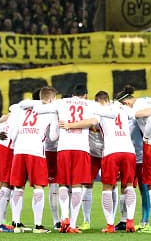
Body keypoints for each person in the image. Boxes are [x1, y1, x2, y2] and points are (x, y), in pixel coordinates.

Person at [60, 91, 140, 233]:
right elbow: (135, 113)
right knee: (128, 186)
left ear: (97, 101)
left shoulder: (97, 110)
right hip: (129, 151)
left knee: (107, 188)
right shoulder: (123, 108)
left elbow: (93, 122)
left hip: (111, 152)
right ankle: (130, 221)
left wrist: (69, 124)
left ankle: (110, 225)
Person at [115, 85, 151, 234]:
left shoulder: (136, 109)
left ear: (125, 103)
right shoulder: (147, 100)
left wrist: (146, 138)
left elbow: (145, 118)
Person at [7, 86, 59, 233]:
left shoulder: (25, 109)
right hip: (36, 151)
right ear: (51, 98)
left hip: (19, 150)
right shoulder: (52, 111)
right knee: (38, 187)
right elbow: (53, 137)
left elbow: (14, 113)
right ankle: (38, 225)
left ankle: (16, 224)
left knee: (18, 187)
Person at [53, 84, 96, 234]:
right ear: (85, 95)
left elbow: (40, 107)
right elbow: (93, 121)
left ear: (72, 94)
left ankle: (64, 218)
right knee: (77, 185)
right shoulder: (90, 104)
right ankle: (72, 224)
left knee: (63, 184)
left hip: (63, 147)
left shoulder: (61, 102)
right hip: (81, 148)